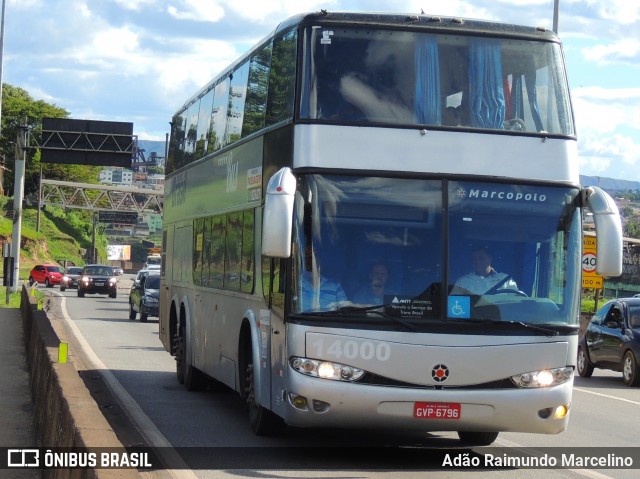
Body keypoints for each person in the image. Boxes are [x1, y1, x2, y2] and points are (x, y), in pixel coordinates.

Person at [451, 245, 518, 295]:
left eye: (481, 258)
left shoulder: (506, 280)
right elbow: (455, 307)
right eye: (475, 259)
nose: (478, 262)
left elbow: (516, 302)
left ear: (490, 259)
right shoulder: (462, 282)